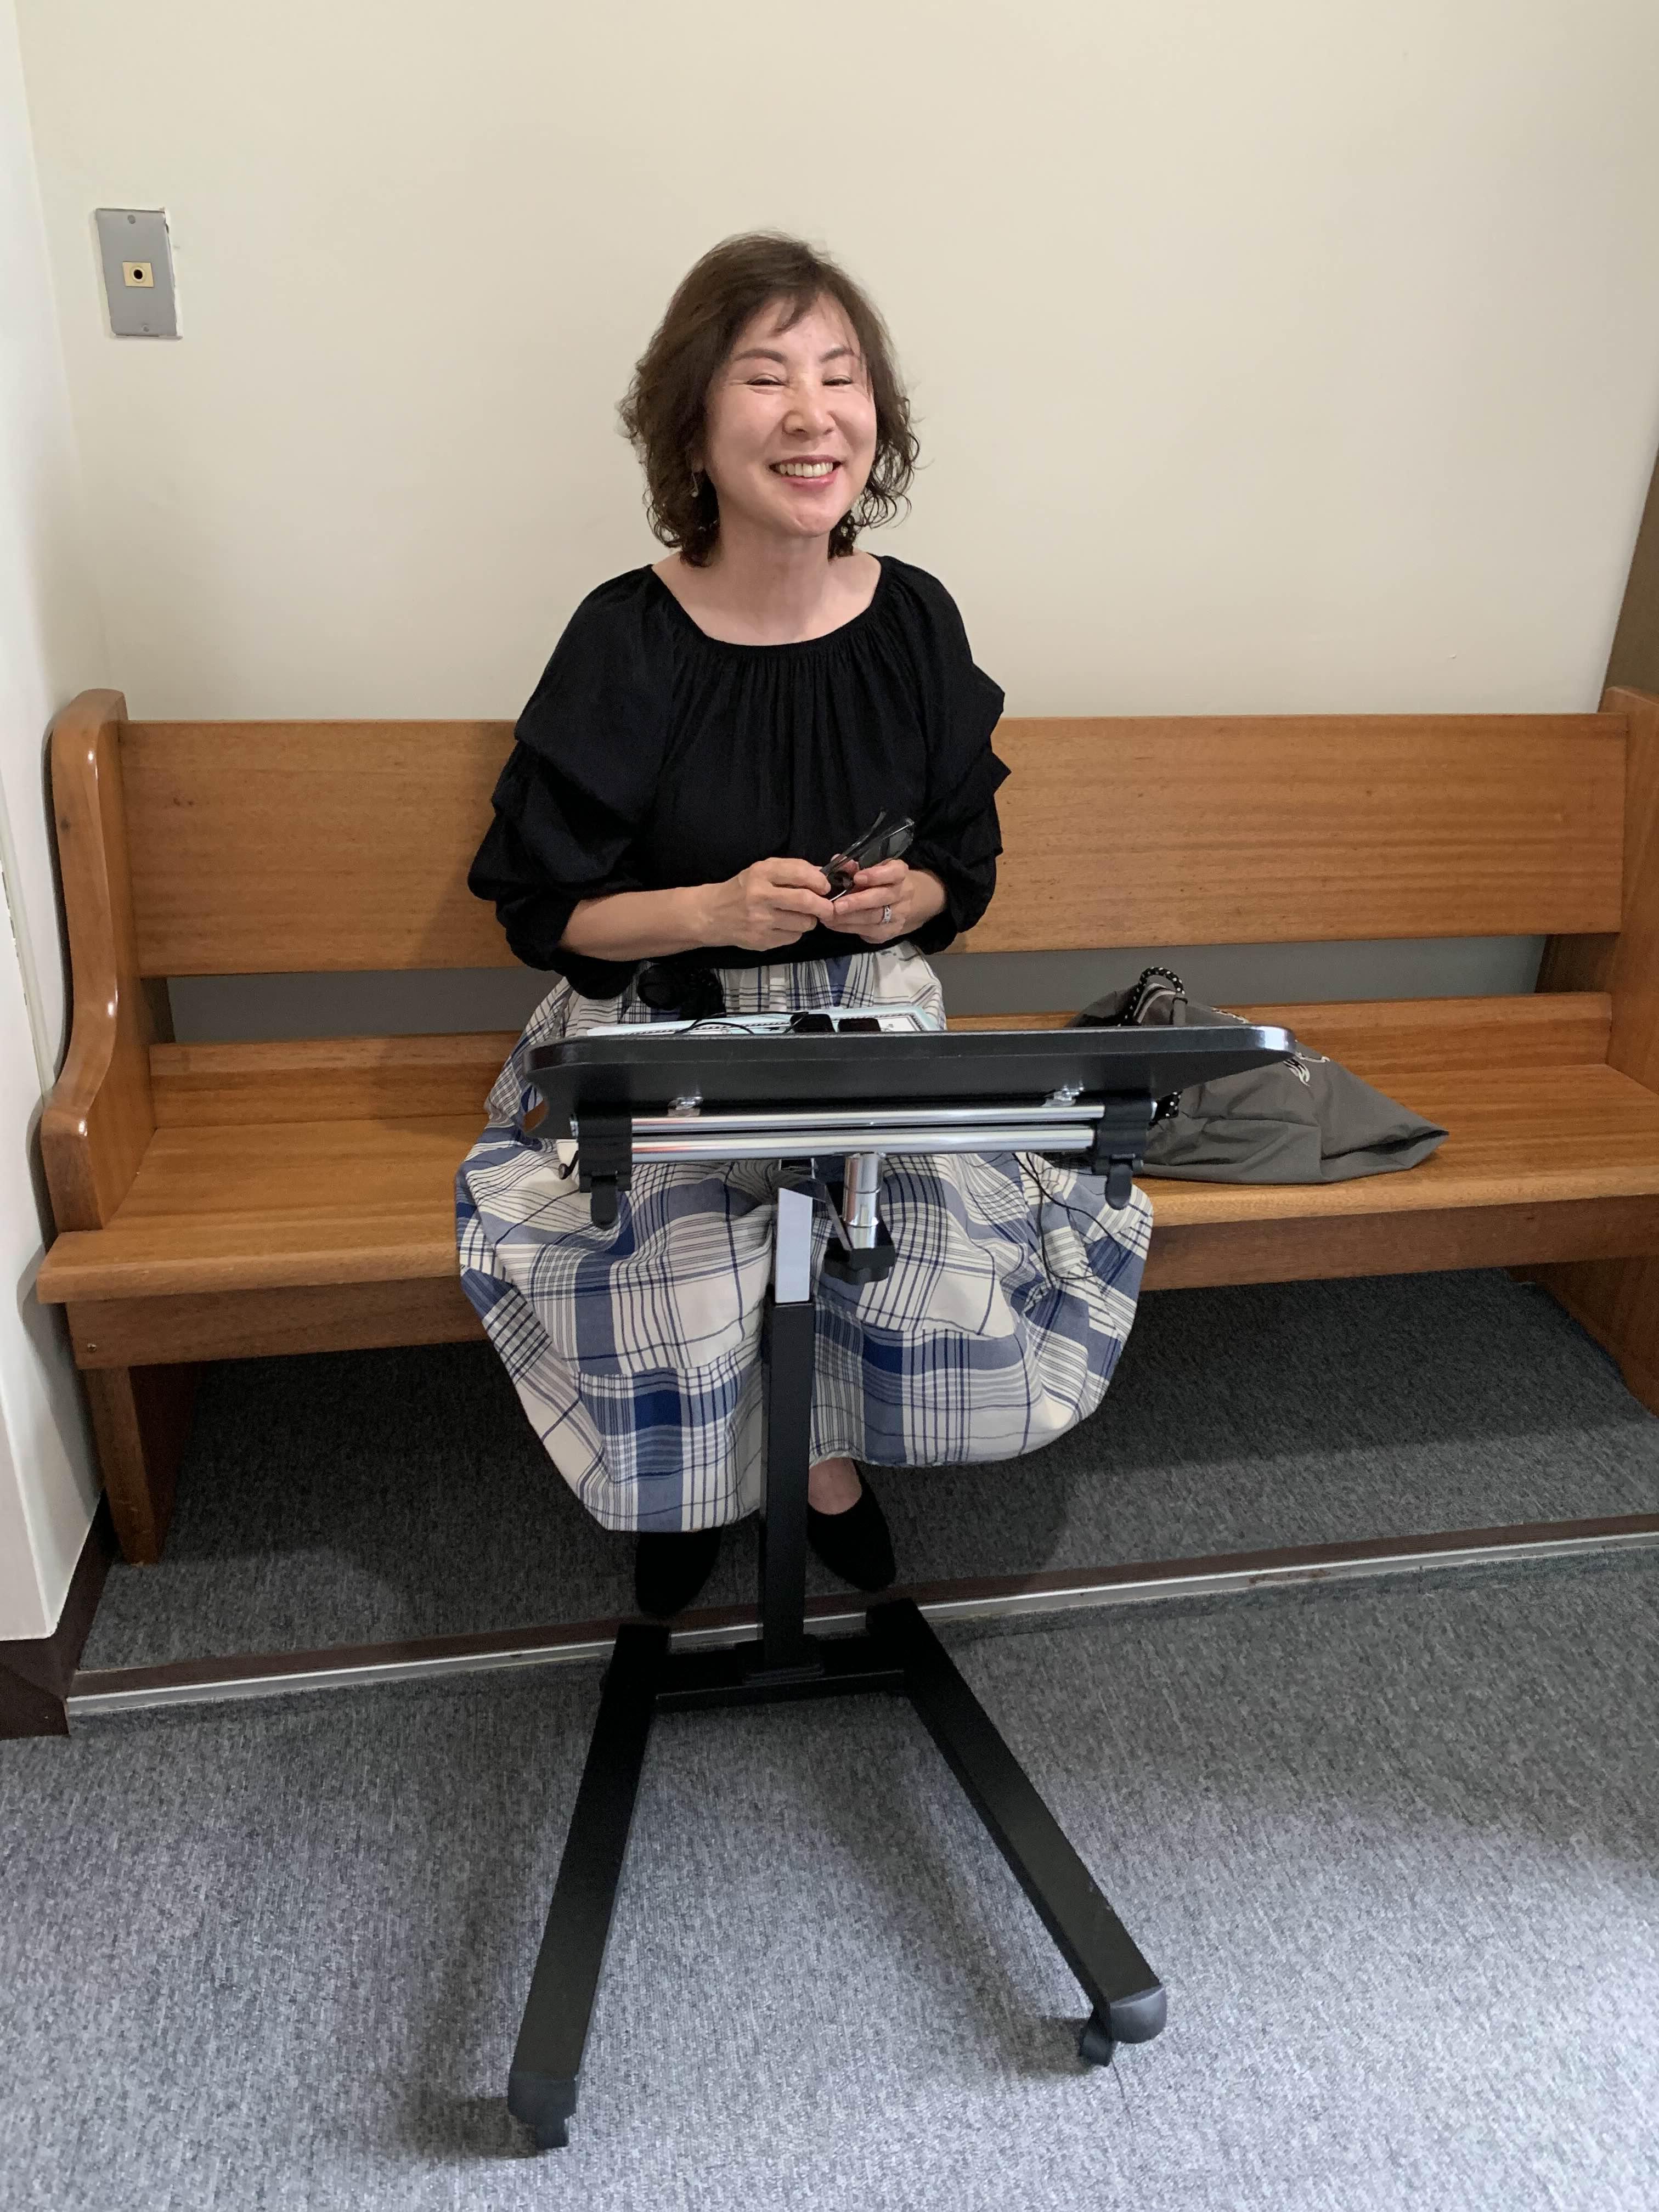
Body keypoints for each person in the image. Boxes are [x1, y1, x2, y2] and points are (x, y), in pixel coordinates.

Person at [458, 233, 1152, 1619]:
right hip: (665, 1027)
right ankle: (704, 1479)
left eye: (840, 376)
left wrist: (917, 898)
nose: (811, 413)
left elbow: (965, 861)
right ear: (693, 429)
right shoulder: (626, 636)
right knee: (682, 1253)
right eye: (766, 377)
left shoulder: (914, 620)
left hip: (871, 1018)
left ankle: (815, 1457)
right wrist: (714, 909)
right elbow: (544, 911)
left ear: (875, 419)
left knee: (899, 1231)